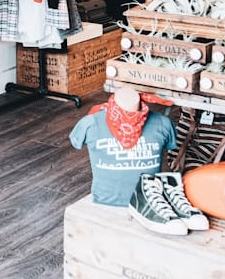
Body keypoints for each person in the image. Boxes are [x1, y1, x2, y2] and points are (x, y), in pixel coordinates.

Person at [69, 87, 207, 235]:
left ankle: (166, 201)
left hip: (151, 199)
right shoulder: (90, 123)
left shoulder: (163, 123)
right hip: (106, 200)